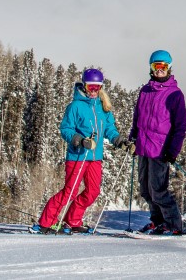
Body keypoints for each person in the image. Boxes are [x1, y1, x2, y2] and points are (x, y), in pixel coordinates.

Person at [34, 68, 133, 234]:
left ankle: (72, 220)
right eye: (90, 87)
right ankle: (46, 222)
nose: (93, 91)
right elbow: (66, 129)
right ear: (84, 86)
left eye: (97, 87)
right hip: (78, 156)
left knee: (93, 191)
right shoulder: (75, 106)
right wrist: (80, 140)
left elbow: (109, 129)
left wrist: (120, 141)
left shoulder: (103, 107)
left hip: (95, 157)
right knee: (70, 191)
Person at [129, 49, 186, 235]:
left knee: (158, 190)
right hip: (142, 147)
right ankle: (158, 221)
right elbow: (138, 117)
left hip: (160, 149)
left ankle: (175, 225)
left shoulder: (175, 94)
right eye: (156, 66)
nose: (160, 70)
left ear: (169, 68)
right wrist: (133, 138)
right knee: (145, 189)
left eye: (163, 66)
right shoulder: (145, 91)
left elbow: (180, 126)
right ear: (151, 68)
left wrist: (173, 150)